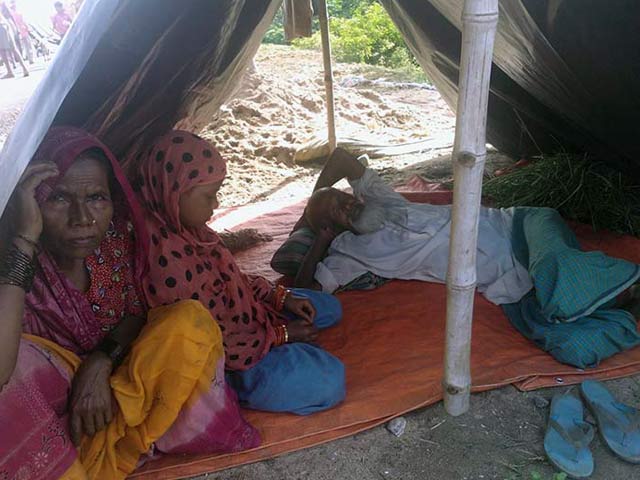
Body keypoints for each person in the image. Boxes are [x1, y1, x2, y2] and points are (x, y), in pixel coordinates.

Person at [0, 127, 258, 480]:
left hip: (116, 396)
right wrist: (25, 239)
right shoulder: (14, 262)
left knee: (188, 322)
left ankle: (118, 447)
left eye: (96, 198)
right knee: (17, 370)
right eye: (58, 198)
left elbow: (138, 314)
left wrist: (102, 360)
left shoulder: (115, 243)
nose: (83, 218)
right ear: (29, 200)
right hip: (55, 422)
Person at [272, 148, 640, 369]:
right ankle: (619, 304)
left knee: (559, 280)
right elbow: (305, 294)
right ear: (330, 231)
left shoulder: (384, 201)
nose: (349, 201)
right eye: (338, 209)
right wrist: (314, 234)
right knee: (569, 344)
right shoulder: (348, 256)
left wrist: (316, 198)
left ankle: (623, 288)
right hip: (509, 285)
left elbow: (340, 159)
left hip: (523, 228)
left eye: (344, 196)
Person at [136, 130, 346, 415]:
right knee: (330, 381)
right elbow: (213, 338)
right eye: (209, 196)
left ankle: (283, 354)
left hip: (246, 317)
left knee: (329, 308)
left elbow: (233, 280)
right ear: (172, 193)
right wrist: (280, 334)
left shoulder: (192, 231)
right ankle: (242, 387)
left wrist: (278, 297)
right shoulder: (164, 262)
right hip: (227, 358)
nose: (216, 204)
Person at [0, 3, 27, 78]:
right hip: (6, 24)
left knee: (2, 50)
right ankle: (24, 68)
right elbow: (9, 14)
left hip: (1, 26)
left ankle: (10, 71)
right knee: (13, 48)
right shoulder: (3, 4)